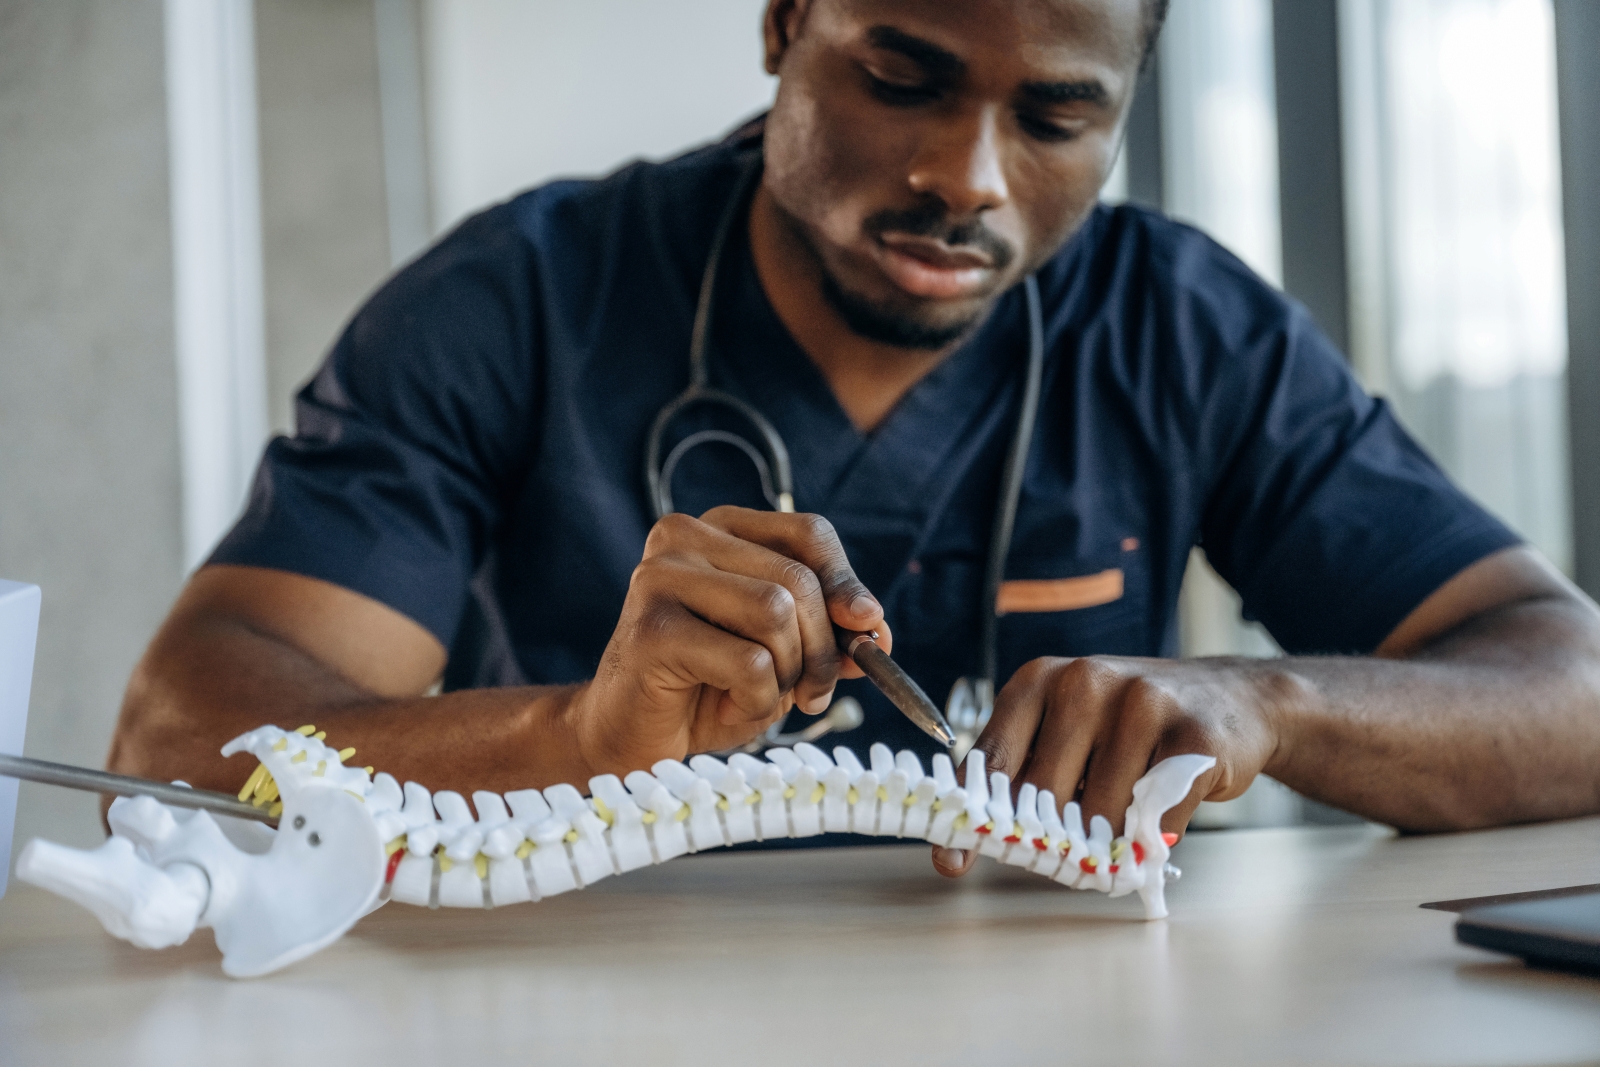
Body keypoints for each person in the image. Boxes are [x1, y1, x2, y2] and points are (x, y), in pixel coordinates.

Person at [108, 0, 1600, 879]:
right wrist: (568, 742)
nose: (966, 178)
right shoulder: (518, 304)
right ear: (781, 25)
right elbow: (179, 743)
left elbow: (1573, 689)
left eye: (1058, 118)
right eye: (903, 78)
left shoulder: (1175, 325)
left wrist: (1272, 706)